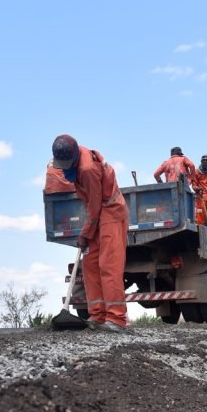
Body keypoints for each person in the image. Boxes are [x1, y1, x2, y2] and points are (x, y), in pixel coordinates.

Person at [51, 134, 129, 332]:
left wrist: (85, 234)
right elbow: (92, 208)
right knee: (90, 264)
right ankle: (98, 315)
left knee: (108, 264)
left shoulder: (87, 170)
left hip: (110, 210)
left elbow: (94, 205)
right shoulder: (74, 158)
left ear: (74, 156)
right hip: (96, 213)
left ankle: (116, 318)